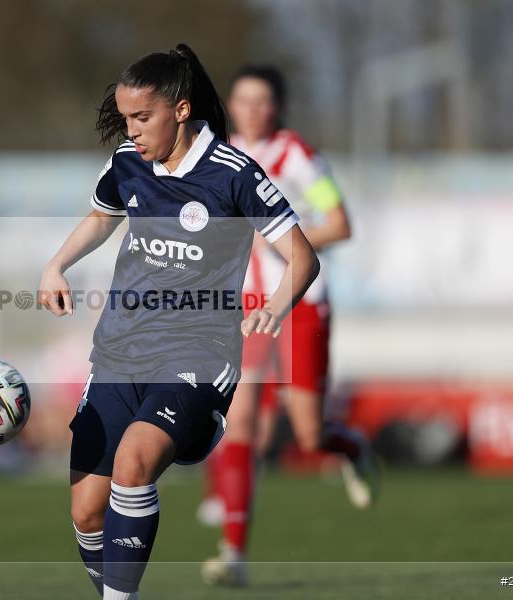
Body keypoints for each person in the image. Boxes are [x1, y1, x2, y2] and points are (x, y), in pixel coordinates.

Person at [38, 45, 319, 600]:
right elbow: (102, 215)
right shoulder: (128, 161)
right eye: (126, 119)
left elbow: (303, 258)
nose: (133, 131)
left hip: (198, 352)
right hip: (119, 352)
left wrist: (272, 307)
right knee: (88, 511)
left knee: (133, 461)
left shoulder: (232, 174)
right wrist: (56, 265)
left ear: (182, 109)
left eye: (143, 118)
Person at [199, 65, 380, 587]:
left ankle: (349, 447)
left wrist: (284, 241)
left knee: (306, 433)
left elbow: (339, 222)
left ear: (277, 107)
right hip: (246, 304)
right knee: (242, 419)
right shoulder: (214, 154)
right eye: (243, 100)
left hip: (301, 301)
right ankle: (233, 553)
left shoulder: (296, 156)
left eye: (262, 101)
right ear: (230, 105)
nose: (252, 109)